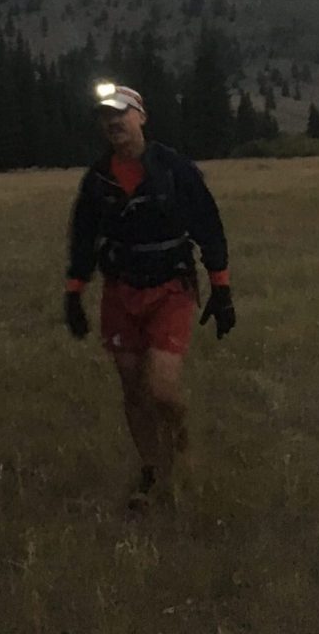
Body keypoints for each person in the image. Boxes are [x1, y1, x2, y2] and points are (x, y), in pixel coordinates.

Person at [63, 83, 235, 509]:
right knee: (132, 389)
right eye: (106, 117)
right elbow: (83, 237)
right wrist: (74, 292)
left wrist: (222, 288)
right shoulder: (98, 179)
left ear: (141, 116)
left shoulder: (175, 169)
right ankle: (152, 472)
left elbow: (208, 226)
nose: (114, 122)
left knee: (162, 389)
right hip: (120, 290)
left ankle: (179, 446)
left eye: (122, 113)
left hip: (170, 289)